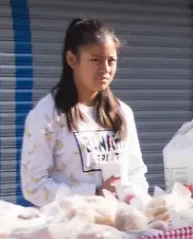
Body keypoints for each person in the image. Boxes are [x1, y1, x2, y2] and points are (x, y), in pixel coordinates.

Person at [20, 18, 148, 207]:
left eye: (111, 61)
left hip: (118, 221)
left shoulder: (122, 113)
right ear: (72, 60)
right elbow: (33, 187)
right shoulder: (46, 115)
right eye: (95, 60)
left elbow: (136, 173)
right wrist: (94, 194)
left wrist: (132, 198)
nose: (105, 69)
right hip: (68, 223)